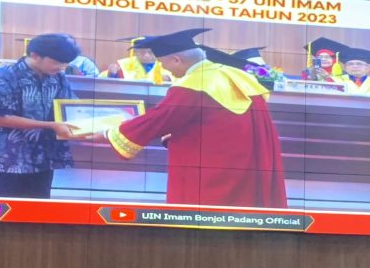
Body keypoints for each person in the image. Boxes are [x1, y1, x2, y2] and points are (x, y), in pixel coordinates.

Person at [98, 28, 288, 209]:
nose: (164, 69)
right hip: (249, 157)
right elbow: (219, 119)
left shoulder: (194, 85)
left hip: (219, 167)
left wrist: (108, 132)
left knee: (208, 214)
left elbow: (159, 119)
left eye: (163, 63)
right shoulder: (233, 73)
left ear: (176, 60)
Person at [0, 32, 82, 199]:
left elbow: (71, 106)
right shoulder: (0, 78)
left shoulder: (58, 78)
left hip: (42, 160)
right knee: (1, 210)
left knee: (37, 210)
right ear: (35, 55)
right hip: (5, 160)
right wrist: (50, 125)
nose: (61, 67)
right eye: (56, 62)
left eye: (65, 63)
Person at [107, 36, 173, 84]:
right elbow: (112, 85)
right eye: (142, 52)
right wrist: (112, 73)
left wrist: (169, 79)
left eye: (150, 52)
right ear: (135, 52)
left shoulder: (167, 64)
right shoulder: (123, 65)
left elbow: (176, 81)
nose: (146, 55)